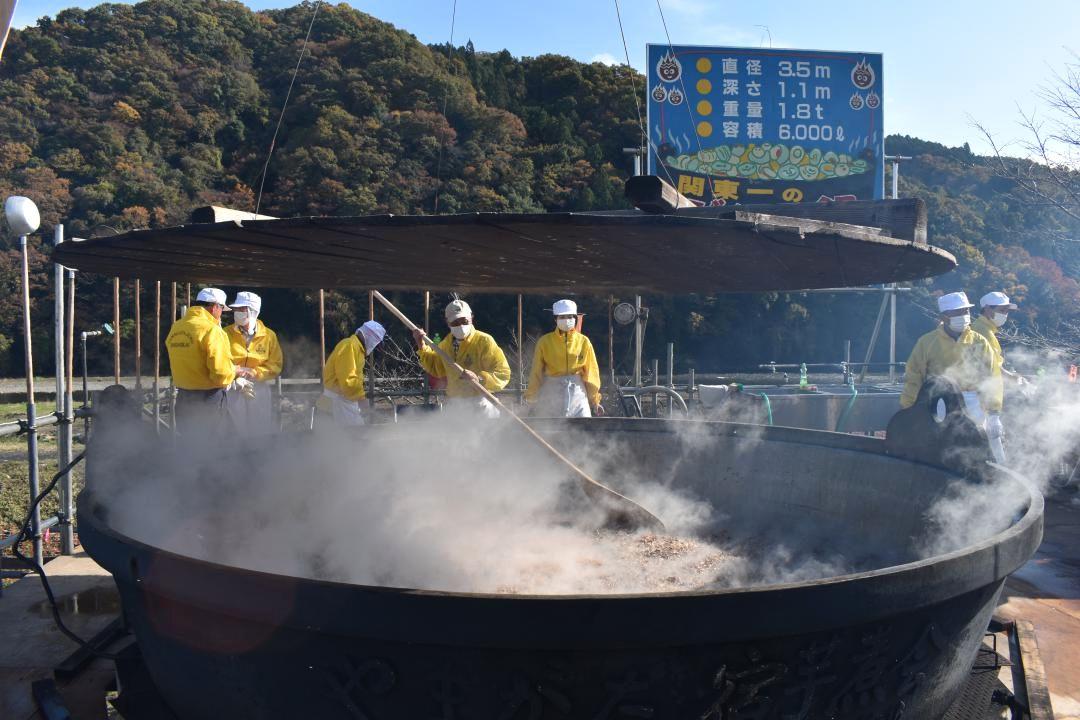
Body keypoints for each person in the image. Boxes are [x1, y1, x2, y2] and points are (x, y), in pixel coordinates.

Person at [900, 291, 998, 425]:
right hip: (939, 401)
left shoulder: (979, 341)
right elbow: (914, 377)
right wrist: (909, 408)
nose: (964, 316)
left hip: (973, 401)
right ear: (944, 317)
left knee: (977, 443)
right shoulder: (927, 342)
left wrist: (993, 413)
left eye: (966, 311)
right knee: (943, 442)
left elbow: (991, 376)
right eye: (958, 312)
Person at [412, 299, 511, 418]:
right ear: (447, 323)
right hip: (455, 405)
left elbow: (503, 373)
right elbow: (435, 367)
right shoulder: (445, 344)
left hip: (480, 404)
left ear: (471, 318)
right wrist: (421, 344)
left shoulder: (484, 341)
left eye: (464, 321)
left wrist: (479, 378)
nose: (461, 326)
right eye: (455, 323)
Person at [165, 287, 236, 433]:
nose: (221, 313)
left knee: (189, 447)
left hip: (183, 398)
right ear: (215, 306)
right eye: (222, 308)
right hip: (208, 400)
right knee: (212, 450)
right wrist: (234, 373)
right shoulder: (212, 330)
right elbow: (221, 374)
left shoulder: (176, 327)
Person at [525, 299, 604, 417]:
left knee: (583, 429)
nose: (566, 320)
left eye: (569, 316)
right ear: (555, 319)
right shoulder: (544, 342)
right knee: (551, 430)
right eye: (562, 317)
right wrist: (532, 399)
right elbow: (536, 372)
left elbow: (591, 373)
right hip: (551, 392)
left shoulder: (584, 341)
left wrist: (595, 400)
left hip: (578, 392)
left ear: (575, 318)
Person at [225, 291, 284, 435]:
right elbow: (220, 360)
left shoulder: (269, 336)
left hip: (258, 387)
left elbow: (276, 364)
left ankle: (259, 455)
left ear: (253, 311)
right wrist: (235, 373)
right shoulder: (225, 333)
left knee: (260, 429)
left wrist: (255, 373)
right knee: (233, 430)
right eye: (236, 309)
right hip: (232, 387)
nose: (237, 312)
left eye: (241, 309)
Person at [972, 291, 1020, 461]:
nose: (1005, 315)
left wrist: (1011, 376)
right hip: (982, 401)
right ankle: (1000, 477)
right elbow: (987, 370)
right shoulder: (982, 332)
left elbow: (994, 366)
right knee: (993, 450)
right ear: (987, 310)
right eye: (1002, 310)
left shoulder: (987, 330)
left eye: (1007, 311)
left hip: (986, 400)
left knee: (992, 445)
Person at [321, 320, 386, 426]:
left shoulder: (356, 348)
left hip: (343, 399)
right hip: (339, 400)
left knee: (347, 437)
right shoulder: (350, 345)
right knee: (354, 436)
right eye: (376, 342)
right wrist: (361, 398)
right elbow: (348, 379)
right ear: (371, 338)